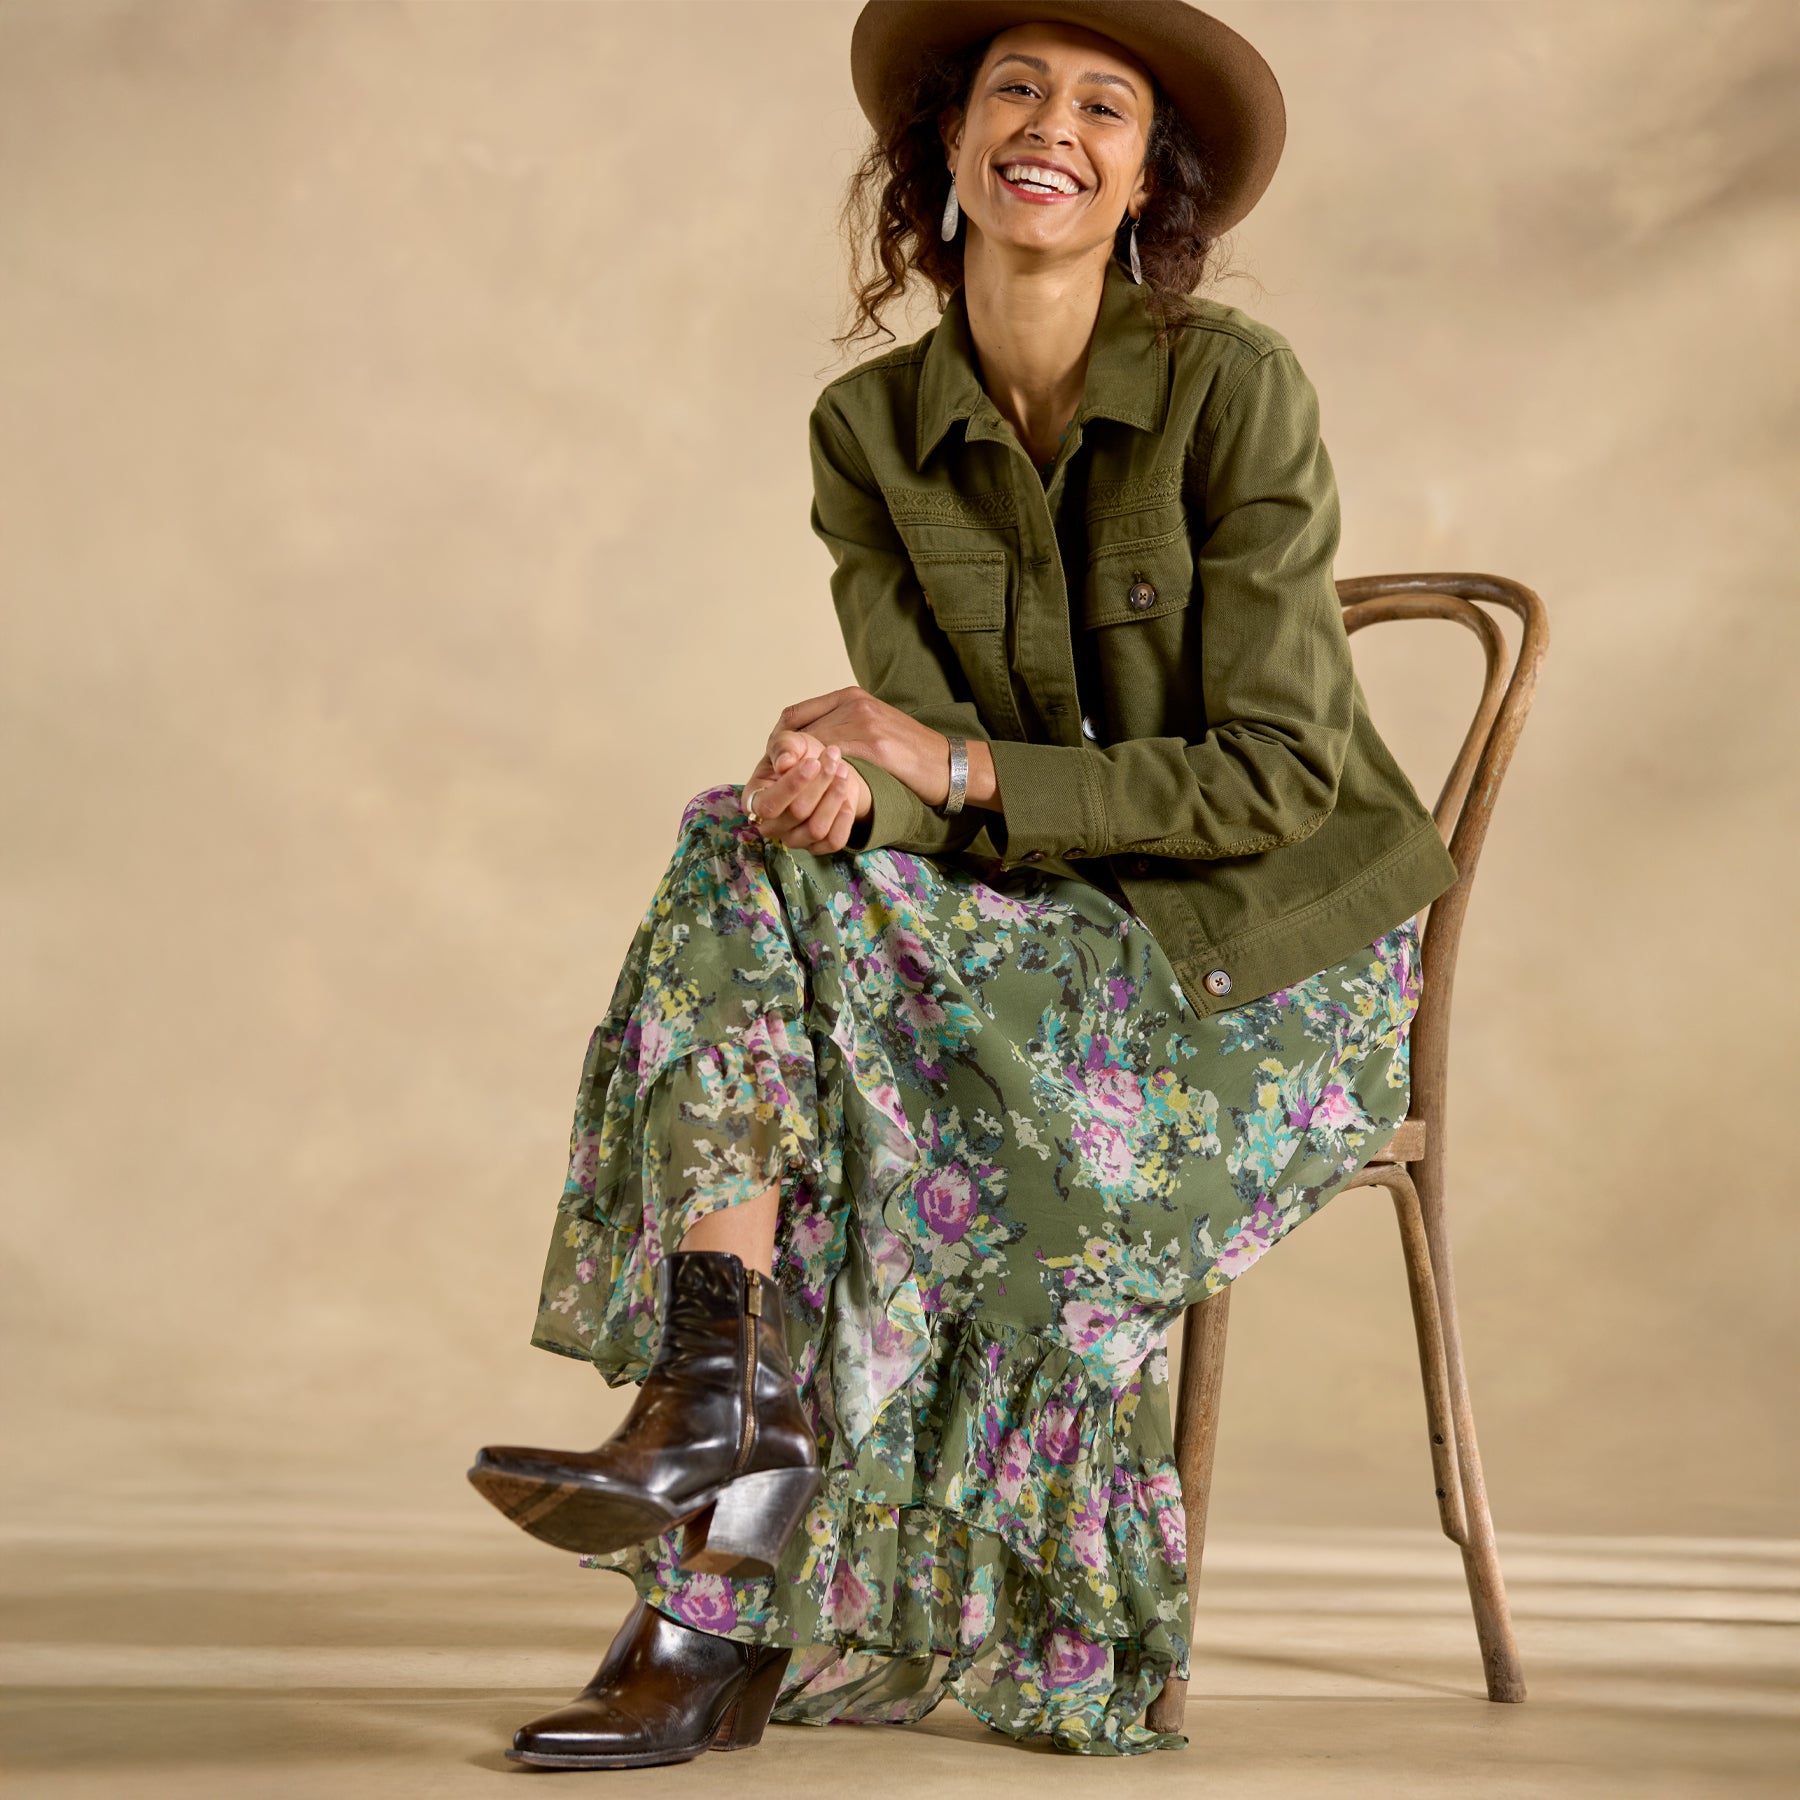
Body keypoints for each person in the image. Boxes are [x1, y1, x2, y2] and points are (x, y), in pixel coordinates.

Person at [467, 0, 1459, 1766]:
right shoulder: (869, 430)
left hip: (1268, 970)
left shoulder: (1234, 388)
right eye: (1015, 87)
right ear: (948, 139)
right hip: (1058, 938)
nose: (1050, 125)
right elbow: (927, 783)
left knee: (846, 1055)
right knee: (741, 842)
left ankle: (714, 1554)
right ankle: (719, 1393)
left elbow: (1276, 776)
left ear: (1148, 180)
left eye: (1102, 105)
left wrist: (954, 771)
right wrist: (851, 797)